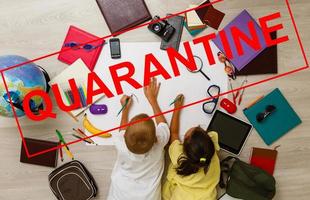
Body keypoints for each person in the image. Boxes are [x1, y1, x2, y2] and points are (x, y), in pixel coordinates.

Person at [107, 78, 170, 200]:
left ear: (125, 136)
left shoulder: (120, 144)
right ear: (156, 138)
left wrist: (125, 109)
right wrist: (152, 100)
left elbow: (122, 130)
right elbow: (163, 126)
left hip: (120, 195)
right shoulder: (160, 142)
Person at [162, 94, 221, 200]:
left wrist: (177, 108)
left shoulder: (179, 158)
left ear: (183, 149)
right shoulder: (212, 150)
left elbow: (174, 133)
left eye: (185, 137)